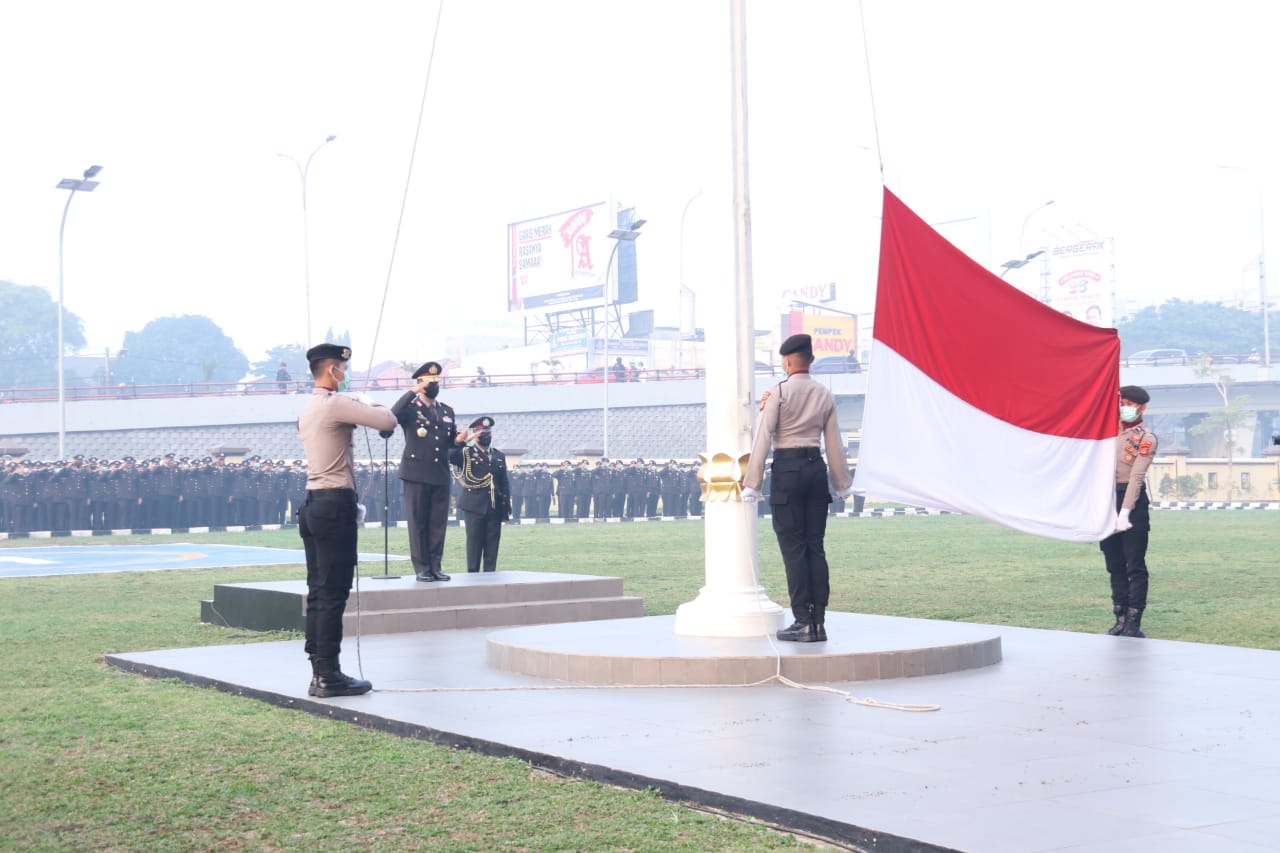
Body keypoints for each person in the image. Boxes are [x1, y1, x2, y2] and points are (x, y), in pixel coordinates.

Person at [297, 343, 396, 697]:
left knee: (319, 592)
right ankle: (330, 675)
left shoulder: (309, 407)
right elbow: (387, 420)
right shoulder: (335, 403)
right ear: (331, 371)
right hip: (334, 503)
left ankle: (319, 671)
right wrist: (367, 401)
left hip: (313, 504)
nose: (345, 372)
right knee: (333, 594)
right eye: (342, 366)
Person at [741, 333, 853, 642]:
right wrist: (841, 483)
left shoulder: (778, 393)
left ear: (788, 361)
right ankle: (818, 622)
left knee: (794, 549)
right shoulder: (824, 394)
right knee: (815, 547)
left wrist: (752, 483)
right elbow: (834, 443)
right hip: (816, 470)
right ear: (811, 360)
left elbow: (763, 437)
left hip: (788, 473)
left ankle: (802, 620)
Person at [392, 361, 469, 582]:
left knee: (437, 524)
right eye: (429, 382)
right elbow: (392, 416)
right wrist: (411, 392)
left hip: (440, 475)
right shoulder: (410, 408)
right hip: (416, 474)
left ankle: (435, 566)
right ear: (420, 384)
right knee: (418, 523)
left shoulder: (446, 411)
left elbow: (451, 450)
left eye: (436, 382)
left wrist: (460, 442)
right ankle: (422, 568)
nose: (434, 386)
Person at [1100, 385, 1158, 638]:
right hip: (1106, 500)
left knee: (1134, 564)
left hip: (1131, 502)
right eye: (1123, 402)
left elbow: (1136, 476)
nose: (1126, 407)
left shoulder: (1146, 438)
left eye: (1132, 404)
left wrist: (1125, 512)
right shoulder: (1105, 432)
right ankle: (1120, 617)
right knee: (1113, 563)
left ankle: (1134, 621)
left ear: (1142, 408)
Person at [449, 416, 511, 572]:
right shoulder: (466, 453)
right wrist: (461, 442)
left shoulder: (498, 456)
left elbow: (503, 481)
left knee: (492, 545)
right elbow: (450, 456)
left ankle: (490, 575)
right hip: (474, 506)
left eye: (488, 433)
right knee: (474, 545)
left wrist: (506, 505)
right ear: (475, 434)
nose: (486, 437)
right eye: (482, 434)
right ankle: (473, 575)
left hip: (494, 505)